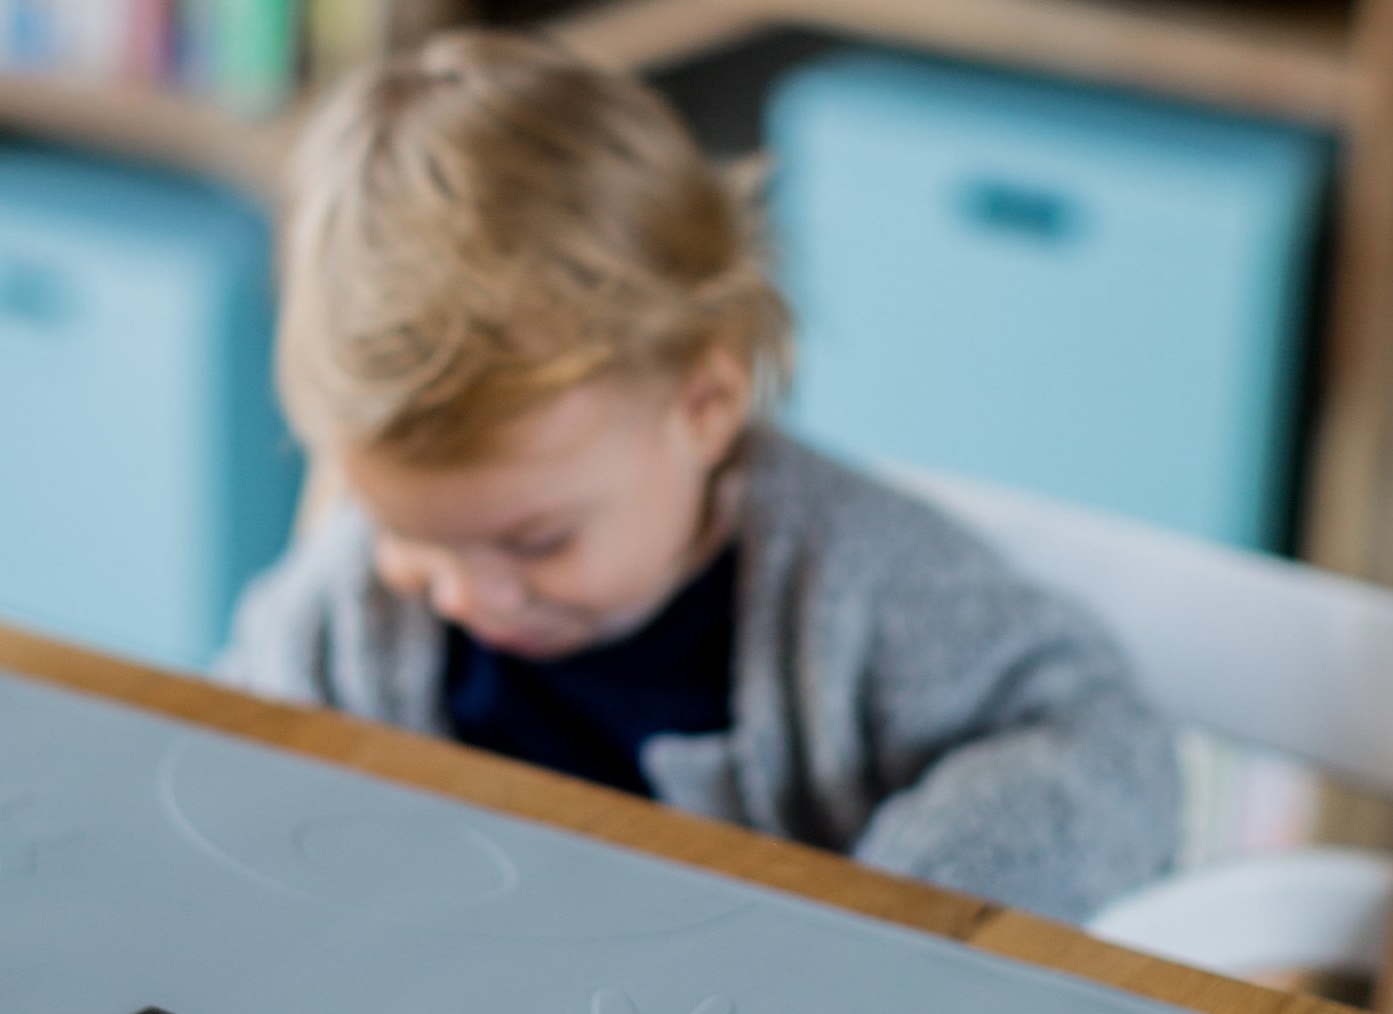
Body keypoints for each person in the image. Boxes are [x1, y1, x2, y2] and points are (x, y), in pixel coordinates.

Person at [217, 27, 1179, 923]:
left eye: (535, 541)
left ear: (705, 403)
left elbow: (1106, 745)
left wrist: (897, 911)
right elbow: (220, 768)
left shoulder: (865, 587)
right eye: (406, 534)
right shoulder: (348, 616)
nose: (467, 595)